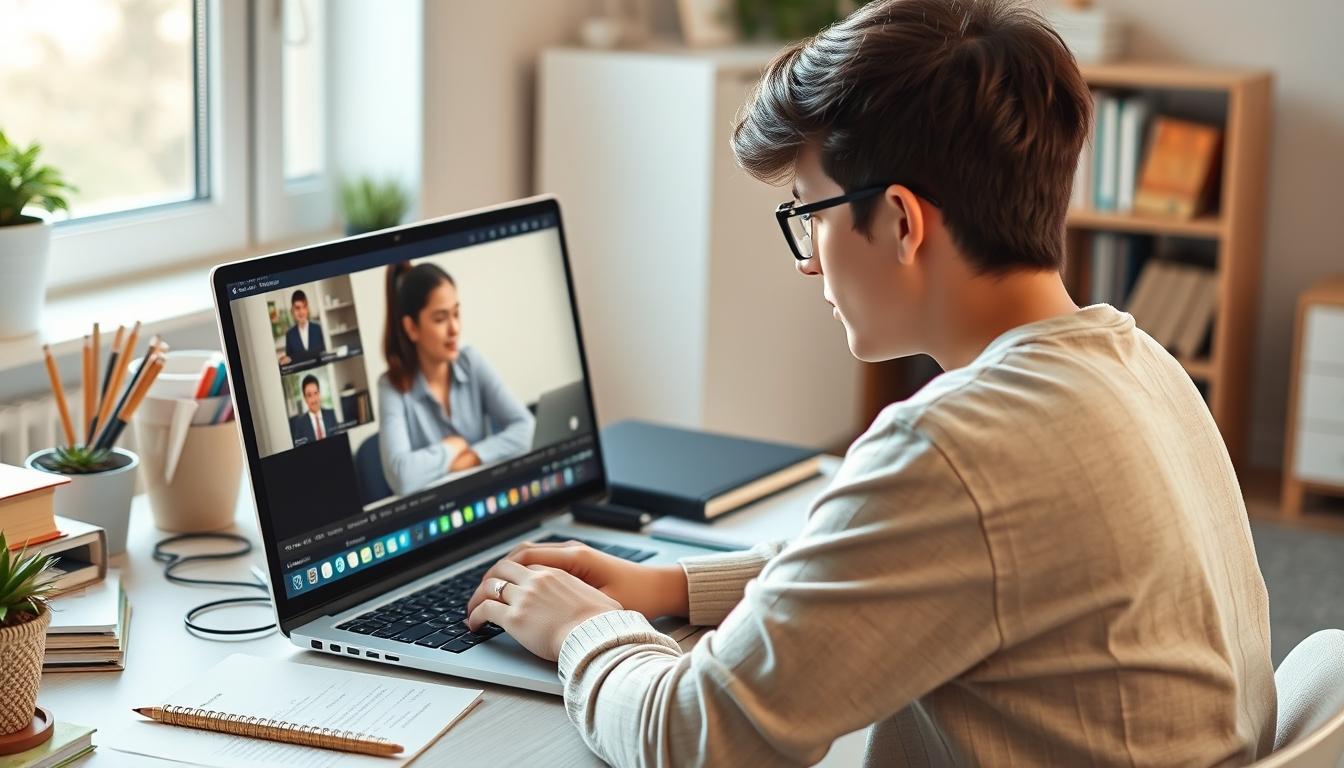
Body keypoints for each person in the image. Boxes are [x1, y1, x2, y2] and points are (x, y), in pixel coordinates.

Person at [462, 1, 1276, 766]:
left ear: (899, 221)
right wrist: (669, 584)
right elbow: (909, 563)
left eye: (810, 215)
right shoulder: (1140, 362)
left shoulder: (955, 448)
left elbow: (693, 738)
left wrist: (583, 629)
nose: (809, 261)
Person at [377, 261, 535, 496]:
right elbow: (402, 476)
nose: (455, 329)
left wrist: (470, 457)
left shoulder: (471, 362)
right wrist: (451, 448)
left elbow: (526, 428)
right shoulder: (391, 386)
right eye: (440, 319)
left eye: (456, 314)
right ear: (412, 328)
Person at [289, 374, 338, 446]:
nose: (314, 399)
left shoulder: (332, 414)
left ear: (319, 394)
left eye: (316, 393)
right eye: (309, 395)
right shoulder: (299, 424)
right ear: (305, 398)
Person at [281, 289, 326, 365]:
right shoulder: (289, 334)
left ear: (307, 309)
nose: (301, 311)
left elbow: (322, 354)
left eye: (304, 307)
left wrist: (294, 358)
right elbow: (290, 362)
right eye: (297, 308)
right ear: (292, 310)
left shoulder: (317, 329)